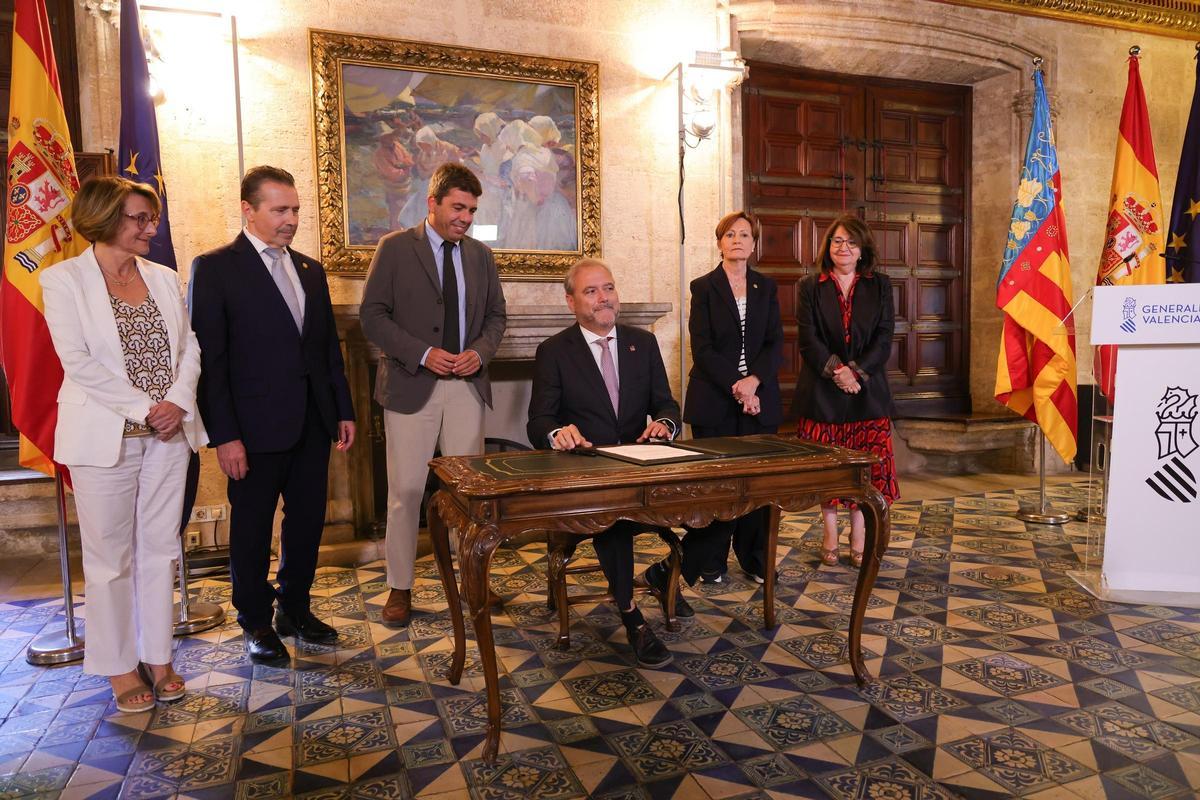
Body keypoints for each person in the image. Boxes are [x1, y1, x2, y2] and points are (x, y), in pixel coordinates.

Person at [40, 176, 207, 711]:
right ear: (105, 217)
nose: (150, 228)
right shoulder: (63, 280)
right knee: (110, 558)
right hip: (103, 438)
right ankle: (117, 665)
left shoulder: (164, 277)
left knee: (161, 549)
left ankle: (158, 656)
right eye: (140, 218)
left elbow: (190, 347)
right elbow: (77, 361)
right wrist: (145, 408)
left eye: (151, 218)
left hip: (169, 436)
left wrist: (176, 402)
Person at [190, 166, 356, 662]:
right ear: (249, 210)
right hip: (252, 431)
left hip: (312, 424)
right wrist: (225, 436)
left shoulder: (310, 269)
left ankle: (295, 609)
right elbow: (211, 362)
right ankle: (256, 622)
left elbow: (326, 351)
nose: (292, 219)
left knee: (306, 525)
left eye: (296, 210)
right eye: (280, 210)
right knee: (252, 530)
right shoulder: (215, 268)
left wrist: (343, 409)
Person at [360, 162, 508, 628]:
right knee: (405, 491)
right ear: (433, 203)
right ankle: (400, 587)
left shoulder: (481, 256)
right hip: (410, 385)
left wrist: (479, 353)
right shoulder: (395, 248)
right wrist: (423, 354)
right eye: (458, 207)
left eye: (472, 210)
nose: (465, 217)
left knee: (469, 495)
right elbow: (372, 316)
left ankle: (472, 581)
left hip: (467, 387)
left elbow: (496, 317)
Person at [527, 258, 679, 669]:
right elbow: (538, 420)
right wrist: (558, 434)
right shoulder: (554, 351)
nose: (604, 298)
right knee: (614, 522)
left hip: (641, 466)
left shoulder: (642, 343)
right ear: (571, 302)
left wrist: (665, 425)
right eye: (591, 291)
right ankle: (631, 615)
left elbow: (666, 404)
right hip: (588, 473)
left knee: (717, 507)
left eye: (608, 288)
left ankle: (667, 573)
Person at [670, 211, 783, 586]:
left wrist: (754, 382)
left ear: (753, 244)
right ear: (719, 242)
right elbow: (702, 348)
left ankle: (755, 559)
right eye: (730, 234)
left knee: (758, 485)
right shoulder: (703, 287)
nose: (738, 240)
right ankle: (710, 560)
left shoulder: (766, 287)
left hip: (759, 399)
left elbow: (775, 343)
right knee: (716, 485)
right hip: (715, 399)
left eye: (745, 235)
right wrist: (738, 385)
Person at [793, 214, 900, 567]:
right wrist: (838, 371)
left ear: (862, 249)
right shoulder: (810, 285)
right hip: (822, 393)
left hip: (867, 394)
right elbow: (808, 339)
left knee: (864, 472)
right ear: (828, 246)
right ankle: (829, 533)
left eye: (852, 242)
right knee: (828, 470)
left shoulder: (880, 285)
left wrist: (856, 373)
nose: (844, 248)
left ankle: (859, 534)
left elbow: (884, 337)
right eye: (837, 241)